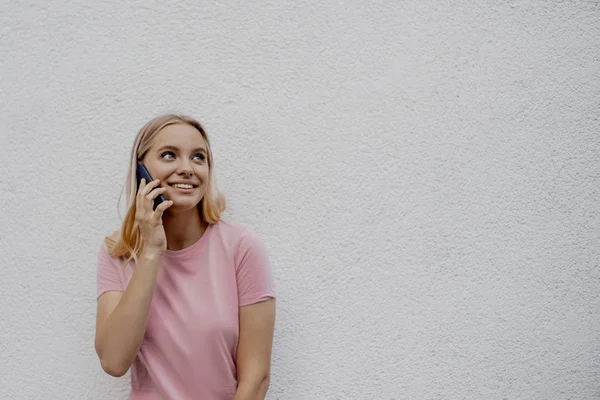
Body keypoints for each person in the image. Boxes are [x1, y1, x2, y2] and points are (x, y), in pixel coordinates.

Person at [94, 114, 276, 399]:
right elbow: (114, 361)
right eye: (169, 155)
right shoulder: (118, 252)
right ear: (141, 169)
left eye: (198, 158)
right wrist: (151, 252)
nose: (187, 169)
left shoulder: (242, 248)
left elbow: (256, 378)